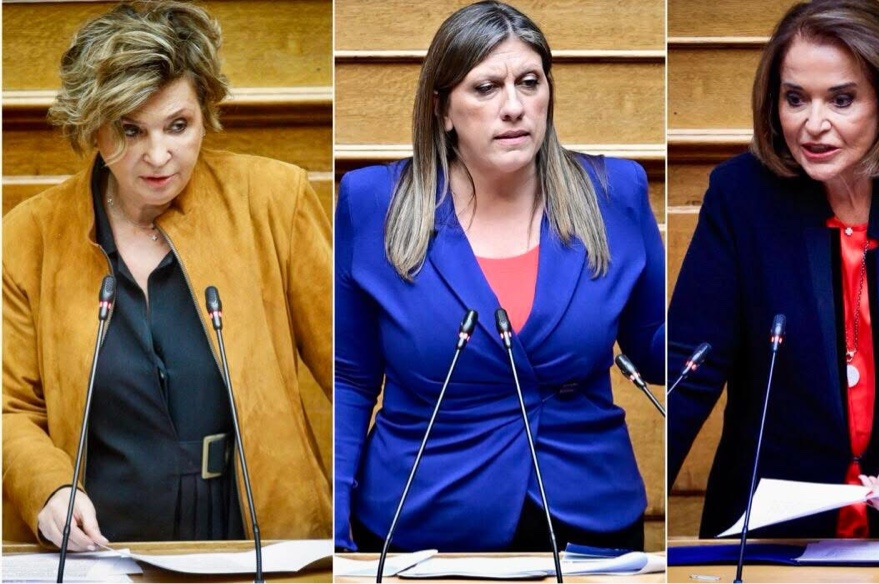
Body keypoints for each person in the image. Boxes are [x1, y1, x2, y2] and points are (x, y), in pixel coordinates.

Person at [335, 0, 665, 552]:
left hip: (588, 513)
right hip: (421, 520)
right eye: (486, 88)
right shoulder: (372, 203)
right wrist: (336, 524)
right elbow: (350, 378)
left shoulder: (616, 193)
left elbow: (655, 350)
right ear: (442, 109)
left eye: (529, 83)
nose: (514, 107)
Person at [2, 1, 332, 549]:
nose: (158, 156)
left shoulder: (275, 202)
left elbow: (347, 372)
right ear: (93, 126)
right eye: (130, 130)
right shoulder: (27, 236)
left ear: (205, 114)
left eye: (178, 126)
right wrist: (47, 488)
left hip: (253, 537)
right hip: (101, 546)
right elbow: (10, 407)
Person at [668, 0, 879, 539]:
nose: (813, 125)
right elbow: (691, 369)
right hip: (777, 534)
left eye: (841, 100)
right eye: (795, 98)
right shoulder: (739, 197)